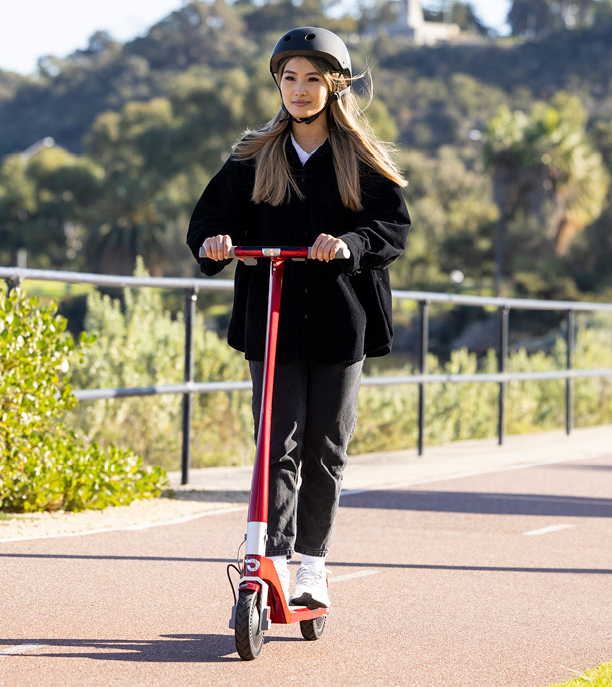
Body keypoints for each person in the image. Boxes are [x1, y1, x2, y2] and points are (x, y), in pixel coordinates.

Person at [185, 27, 409, 610]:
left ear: (335, 85)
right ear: (278, 85)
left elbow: (392, 228)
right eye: (290, 78)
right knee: (273, 443)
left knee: (325, 448)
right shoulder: (253, 157)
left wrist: (351, 246)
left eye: (313, 79)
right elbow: (206, 220)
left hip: (340, 321)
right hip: (271, 317)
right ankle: (274, 556)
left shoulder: (358, 157)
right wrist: (214, 243)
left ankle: (313, 564)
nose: (300, 90)